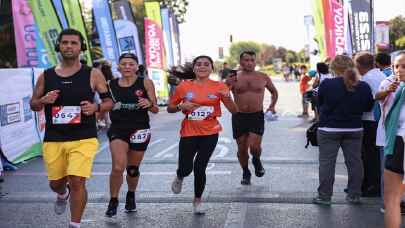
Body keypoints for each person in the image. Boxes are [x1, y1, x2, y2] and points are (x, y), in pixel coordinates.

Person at [29, 28, 113, 228]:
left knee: (77, 181)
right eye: (65, 42)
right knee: (56, 182)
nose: (68, 46)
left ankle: (75, 224)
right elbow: (33, 104)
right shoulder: (46, 75)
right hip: (54, 138)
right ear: (58, 46)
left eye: (73, 43)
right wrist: (42, 100)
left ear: (81, 48)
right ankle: (61, 192)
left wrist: (96, 107)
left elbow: (109, 101)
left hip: (84, 137)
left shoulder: (93, 74)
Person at [167, 55, 238, 214]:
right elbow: (170, 108)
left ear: (211, 68)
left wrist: (228, 97)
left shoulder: (219, 86)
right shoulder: (184, 86)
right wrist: (181, 106)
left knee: (200, 167)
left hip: (210, 132)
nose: (202, 67)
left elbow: (234, 110)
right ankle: (180, 176)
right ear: (194, 68)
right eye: (198, 64)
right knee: (186, 168)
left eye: (206, 64)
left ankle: (197, 200)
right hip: (189, 131)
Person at [313, 55, 374, 205]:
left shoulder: (327, 84)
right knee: (355, 162)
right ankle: (354, 194)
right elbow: (368, 107)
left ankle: (324, 196)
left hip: (329, 129)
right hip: (354, 128)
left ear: (333, 68)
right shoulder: (363, 85)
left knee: (327, 163)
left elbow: (319, 103)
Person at [104, 53, 158, 217]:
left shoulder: (145, 82)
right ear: (118, 67)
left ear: (136, 66)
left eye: (131, 64)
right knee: (118, 166)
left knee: (132, 169)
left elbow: (155, 109)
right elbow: (104, 104)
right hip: (118, 129)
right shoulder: (110, 84)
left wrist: (149, 104)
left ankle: (131, 195)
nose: (127, 67)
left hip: (139, 129)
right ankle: (113, 200)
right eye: (124, 64)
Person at [226, 51, 278, 185]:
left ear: (255, 62)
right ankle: (245, 172)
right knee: (242, 148)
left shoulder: (263, 76)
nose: (249, 63)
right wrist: (231, 106)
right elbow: (223, 93)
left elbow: (274, 92)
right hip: (239, 116)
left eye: (252, 60)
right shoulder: (234, 77)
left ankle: (256, 159)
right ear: (241, 62)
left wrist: (272, 106)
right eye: (246, 60)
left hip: (256, 116)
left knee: (254, 147)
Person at [378, 51, 405, 227]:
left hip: (400, 141)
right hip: (396, 142)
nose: (399, 70)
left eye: (404, 66)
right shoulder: (391, 83)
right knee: (392, 199)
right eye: (396, 66)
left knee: (393, 199)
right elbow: (376, 97)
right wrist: (388, 91)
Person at [354, 52, 386, 197]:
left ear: (360, 66)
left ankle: (371, 185)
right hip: (380, 119)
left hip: (369, 119)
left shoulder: (366, 79)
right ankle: (375, 184)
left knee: (369, 155)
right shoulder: (381, 75)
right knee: (376, 154)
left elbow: (365, 101)